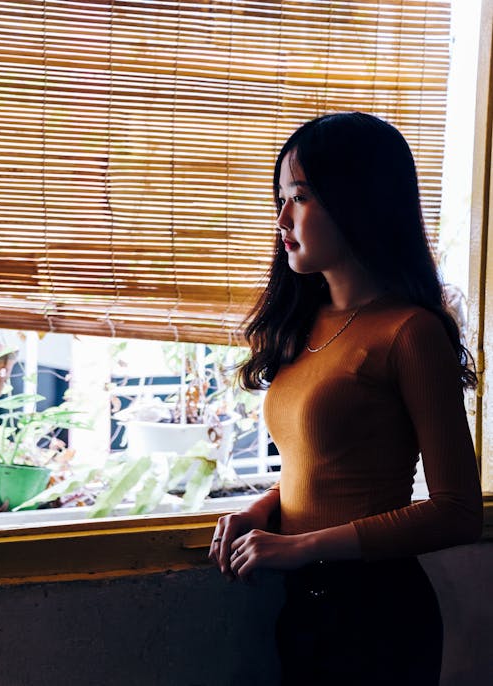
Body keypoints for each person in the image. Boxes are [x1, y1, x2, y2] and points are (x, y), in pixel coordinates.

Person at [208, 112, 483, 685]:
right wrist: (260, 511)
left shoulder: (409, 332)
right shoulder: (307, 323)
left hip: (377, 615)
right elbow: (326, 469)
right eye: (281, 198)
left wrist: (302, 546)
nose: (282, 218)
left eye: (302, 197)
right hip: (305, 607)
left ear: (360, 202)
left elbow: (458, 513)